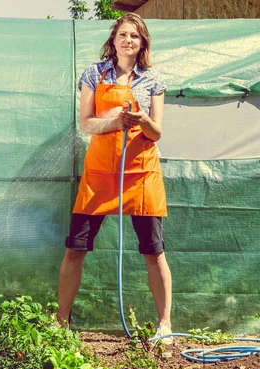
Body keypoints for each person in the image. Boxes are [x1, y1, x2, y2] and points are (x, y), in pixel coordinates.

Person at [56, 13, 172, 342]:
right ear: (114, 39)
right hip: (100, 173)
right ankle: (60, 322)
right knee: (75, 249)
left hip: (142, 172)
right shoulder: (94, 74)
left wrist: (140, 119)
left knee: (154, 252)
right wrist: (114, 123)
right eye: (123, 34)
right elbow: (87, 123)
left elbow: (157, 132)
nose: (128, 40)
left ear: (142, 43)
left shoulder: (153, 80)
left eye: (135, 36)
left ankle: (165, 326)